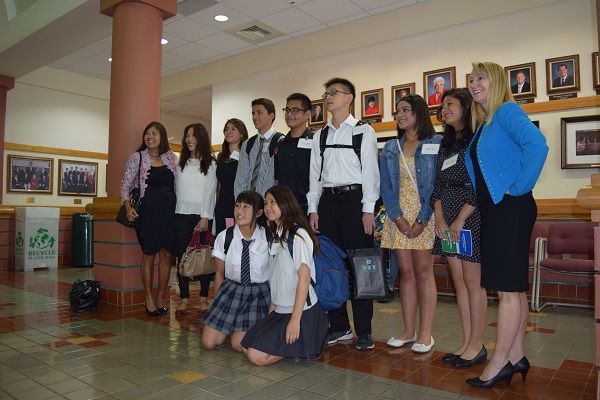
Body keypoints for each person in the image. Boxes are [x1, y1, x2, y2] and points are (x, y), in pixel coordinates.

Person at [464, 62, 548, 389]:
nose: (473, 84)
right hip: (498, 210)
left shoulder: (507, 111)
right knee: (513, 287)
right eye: (471, 79)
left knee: (509, 290)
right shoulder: (486, 122)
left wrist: (519, 186)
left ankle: (499, 363)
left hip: (510, 208)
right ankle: (516, 356)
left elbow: (538, 145)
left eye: (480, 78)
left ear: (496, 81)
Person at [307, 77, 380, 350]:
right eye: (326, 93)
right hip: (327, 204)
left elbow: (371, 174)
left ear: (349, 98)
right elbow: (314, 176)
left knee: (361, 267)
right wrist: (313, 209)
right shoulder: (320, 135)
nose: (328, 97)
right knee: (329, 266)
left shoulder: (363, 131)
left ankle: (364, 331)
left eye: (333, 93)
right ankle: (340, 326)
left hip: (355, 203)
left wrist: (368, 209)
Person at [380, 94, 441, 353]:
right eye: (398, 111)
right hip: (398, 215)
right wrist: (396, 216)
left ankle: (425, 334)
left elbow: (437, 183)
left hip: (424, 213)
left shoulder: (436, 142)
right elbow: (385, 184)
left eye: (406, 110)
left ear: (419, 113)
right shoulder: (391, 147)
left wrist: (422, 218)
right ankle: (408, 330)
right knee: (405, 272)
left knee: (423, 272)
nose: (400, 115)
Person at [431, 88, 487, 367]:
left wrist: (460, 218)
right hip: (447, 218)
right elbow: (437, 185)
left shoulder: (477, 139)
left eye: (450, 104)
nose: (445, 109)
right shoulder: (446, 142)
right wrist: (440, 218)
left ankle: (477, 345)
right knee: (459, 282)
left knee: (473, 283)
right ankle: (466, 342)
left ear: (466, 106)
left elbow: (481, 183)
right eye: (443, 105)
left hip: (469, 215)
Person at [243, 185, 328, 365]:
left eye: (273, 202)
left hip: (301, 312)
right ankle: (297, 345)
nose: (268, 207)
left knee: (255, 356)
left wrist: (295, 321)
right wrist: (270, 314)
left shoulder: (298, 235)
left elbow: (304, 278)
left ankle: (309, 339)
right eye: (266, 203)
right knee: (244, 344)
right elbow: (277, 276)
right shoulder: (276, 234)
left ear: (286, 203)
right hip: (281, 309)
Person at [120, 121, 177, 316]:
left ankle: (161, 295)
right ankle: (148, 297)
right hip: (148, 213)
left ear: (162, 137)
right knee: (149, 254)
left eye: (154, 133)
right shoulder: (137, 157)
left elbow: (178, 186)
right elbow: (125, 186)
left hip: (169, 213)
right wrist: (127, 207)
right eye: (147, 133)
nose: (150, 136)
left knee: (167, 255)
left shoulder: (170, 157)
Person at [202, 191, 270, 352]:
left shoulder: (268, 237)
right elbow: (219, 274)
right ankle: (232, 325)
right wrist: (217, 305)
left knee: (238, 345)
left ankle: (238, 329)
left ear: (259, 213)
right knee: (209, 343)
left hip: (257, 293)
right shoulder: (225, 236)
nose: (239, 211)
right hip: (231, 290)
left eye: (246, 207)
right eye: (237, 205)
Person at [173, 123, 217, 316]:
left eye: (193, 136)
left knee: (203, 256)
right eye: (187, 136)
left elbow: (210, 192)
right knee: (182, 257)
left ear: (201, 138)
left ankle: (203, 299)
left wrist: (205, 216)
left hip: (202, 216)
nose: (190, 139)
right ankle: (183, 299)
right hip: (181, 214)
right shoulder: (179, 163)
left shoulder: (210, 163)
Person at [234, 98, 282, 198]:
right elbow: (241, 179)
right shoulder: (247, 144)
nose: (255, 117)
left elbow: (277, 179)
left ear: (271, 116)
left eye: (259, 113)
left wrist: (265, 203)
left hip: (270, 204)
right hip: (249, 204)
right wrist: (241, 202)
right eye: (253, 113)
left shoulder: (280, 141)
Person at [275, 93, 313, 215]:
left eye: (295, 111)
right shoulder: (281, 145)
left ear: (307, 115)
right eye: (287, 110)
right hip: (284, 209)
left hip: (308, 209)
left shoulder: (315, 143)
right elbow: (278, 177)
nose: (289, 114)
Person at [215, 119, 248, 235]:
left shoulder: (246, 156)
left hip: (238, 205)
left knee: (235, 239)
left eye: (233, 129)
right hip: (222, 205)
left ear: (242, 133)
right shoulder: (221, 156)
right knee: (223, 239)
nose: (229, 132)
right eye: (227, 129)